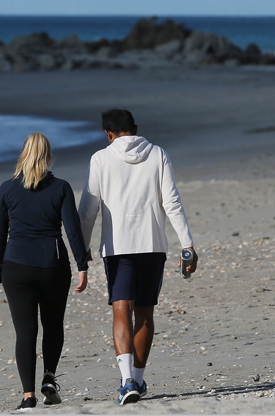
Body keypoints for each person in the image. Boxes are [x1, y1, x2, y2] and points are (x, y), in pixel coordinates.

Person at [78, 109, 197, 405]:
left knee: (121, 311)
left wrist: (81, 247)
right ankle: (139, 381)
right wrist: (188, 244)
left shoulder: (100, 159)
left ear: (107, 133)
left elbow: (88, 209)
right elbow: (172, 202)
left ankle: (126, 380)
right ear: (135, 128)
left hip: (118, 247)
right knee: (144, 314)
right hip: (152, 244)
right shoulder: (157, 154)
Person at [0, 133, 90, 410]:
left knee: (26, 332)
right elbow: (72, 230)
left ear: (23, 154)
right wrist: (82, 264)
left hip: (16, 266)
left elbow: (0, 233)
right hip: (53, 266)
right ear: (48, 156)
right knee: (53, 324)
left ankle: (27, 396)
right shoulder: (60, 188)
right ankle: (49, 377)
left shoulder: (6, 189)